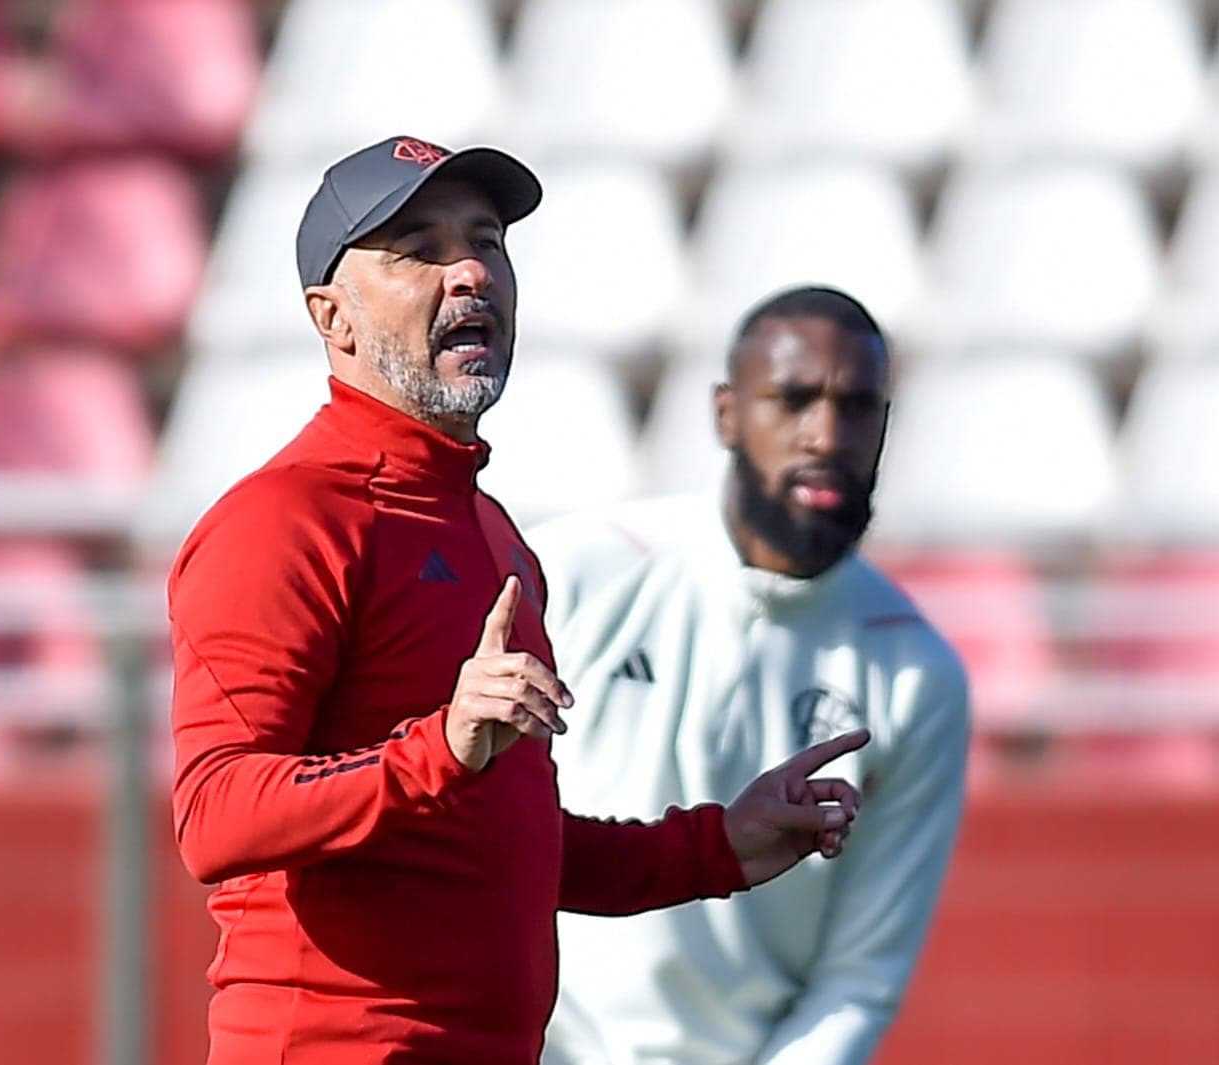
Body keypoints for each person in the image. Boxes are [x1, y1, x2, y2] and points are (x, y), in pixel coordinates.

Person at [165, 139, 871, 1065]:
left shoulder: (494, 537)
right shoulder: (284, 520)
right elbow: (216, 814)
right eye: (419, 248)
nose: (468, 272)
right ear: (331, 318)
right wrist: (438, 749)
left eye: (487, 241)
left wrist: (717, 845)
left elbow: (510, 843)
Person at [532, 285, 971, 1065]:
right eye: (794, 399)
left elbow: (861, 977)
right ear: (727, 413)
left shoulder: (915, 670)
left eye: (858, 407)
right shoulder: (577, 570)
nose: (825, 435)